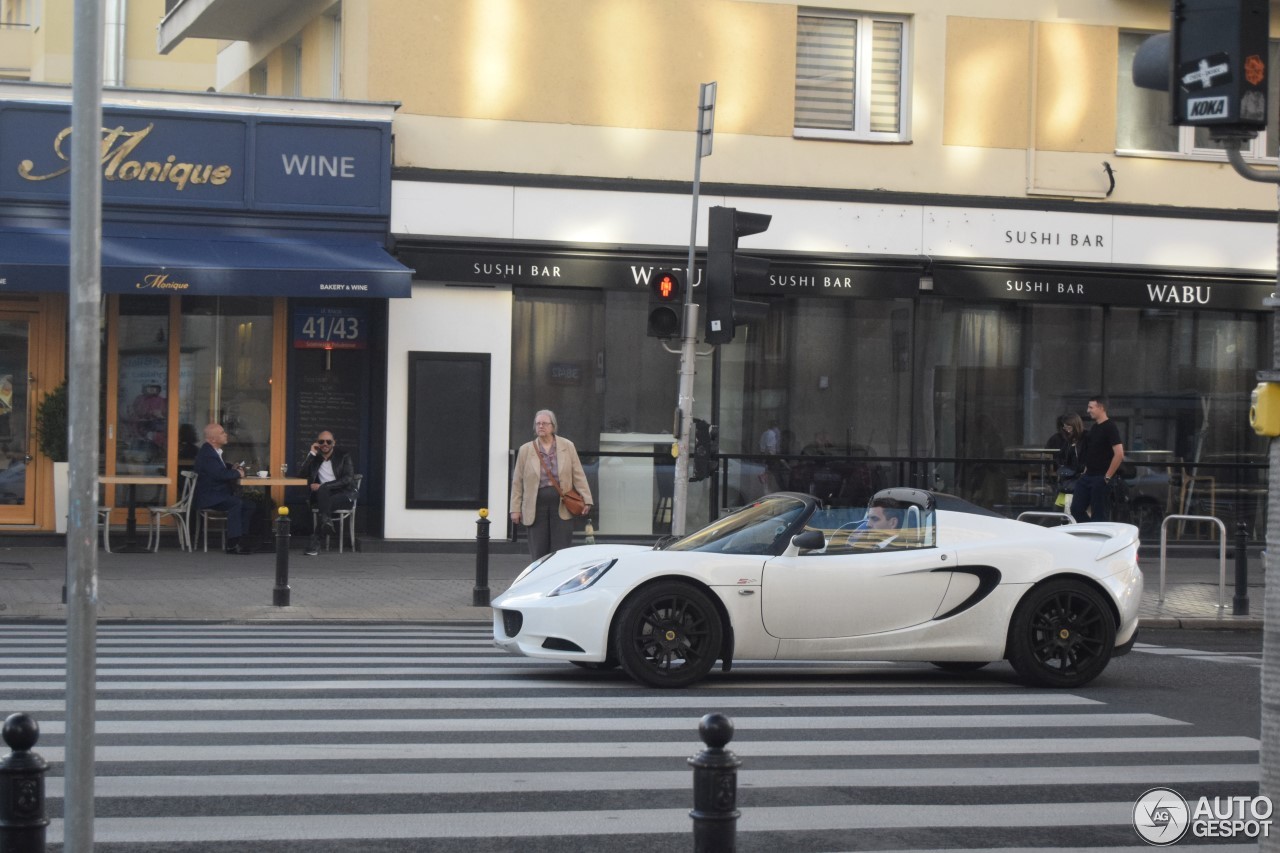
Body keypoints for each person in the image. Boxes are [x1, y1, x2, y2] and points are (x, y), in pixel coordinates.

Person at [510, 409, 593, 560]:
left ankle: (559, 580)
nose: (541, 426)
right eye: (538, 423)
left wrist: (586, 498)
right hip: (535, 506)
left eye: (544, 423)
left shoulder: (567, 446)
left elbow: (578, 474)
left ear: (553, 426)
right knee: (539, 551)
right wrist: (515, 509)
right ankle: (540, 581)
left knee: (561, 551)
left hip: (562, 505)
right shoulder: (526, 450)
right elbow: (517, 481)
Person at [193, 423, 256, 554]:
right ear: (213, 439)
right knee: (236, 503)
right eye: (222, 433)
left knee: (249, 505)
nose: (226, 434)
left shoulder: (212, 451)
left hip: (217, 494)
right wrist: (238, 473)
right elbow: (219, 474)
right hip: (210, 497)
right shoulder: (207, 454)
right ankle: (232, 544)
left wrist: (231, 467)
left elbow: (219, 468)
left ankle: (241, 539)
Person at [297, 430, 358, 557]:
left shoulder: (344, 456)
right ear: (317, 443)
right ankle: (326, 523)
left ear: (333, 443)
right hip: (324, 496)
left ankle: (317, 538)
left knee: (324, 491)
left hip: (345, 495)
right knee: (324, 494)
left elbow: (348, 479)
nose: (325, 444)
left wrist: (323, 486)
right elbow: (301, 475)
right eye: (321, 441)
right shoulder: (315, 458)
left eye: (328, 441)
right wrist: (311, 453)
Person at [1071, 396, 1126, 523]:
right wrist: (1085, 470)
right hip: (1088, 476)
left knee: (1099, 515)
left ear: (1101, 408)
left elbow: (1119, 454)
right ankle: (1090, 531)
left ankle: (1098, 536)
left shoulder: (1110, 427)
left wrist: (1107, 477)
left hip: (1101, 477)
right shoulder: (1095, 428)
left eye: (1091, 407)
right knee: (1076, 509)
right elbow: (1093, 452)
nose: (1088, 410)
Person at [1047, 413, 1085, 513]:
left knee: (1075, 510)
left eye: (1068, 426)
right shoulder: (1068, 441)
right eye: (1064, 426)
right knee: (1060, 509)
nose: (1066, 429)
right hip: (1067, 481)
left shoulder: (1085, 439)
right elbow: (1061, 457)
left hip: (1079, 480)